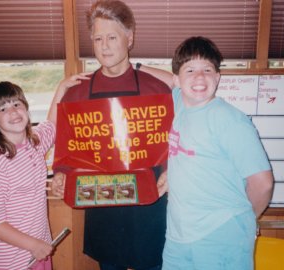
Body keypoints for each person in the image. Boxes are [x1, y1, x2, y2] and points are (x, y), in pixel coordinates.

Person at [51, 1, 171, 269]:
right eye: (98, 38)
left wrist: (171, 170)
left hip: (148, 206)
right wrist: (61, 172)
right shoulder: (76, 94)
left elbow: (174, 143)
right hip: (103, 205)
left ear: (130, 38)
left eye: (112, 37)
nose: (104, 46)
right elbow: (67, 149)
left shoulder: (157, 90)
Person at [155, 36, 274, 270]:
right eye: (190, 70)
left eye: (207, 69)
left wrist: (245, 219)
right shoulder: (179, 102)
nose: (199, 77)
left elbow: (263, 184)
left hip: (222, 238)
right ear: (177, 79)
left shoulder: (230, 120)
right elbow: (161, 78)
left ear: (217, 77)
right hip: (178, 238)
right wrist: (134, 66)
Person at [0, 81, 65, 270]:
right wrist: (33, 245)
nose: (13, 112)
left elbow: (52, 124)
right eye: (2, 109)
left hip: (37, 251)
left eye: (17, 104)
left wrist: (63, 87)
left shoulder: (34, 145)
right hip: (10, 262)